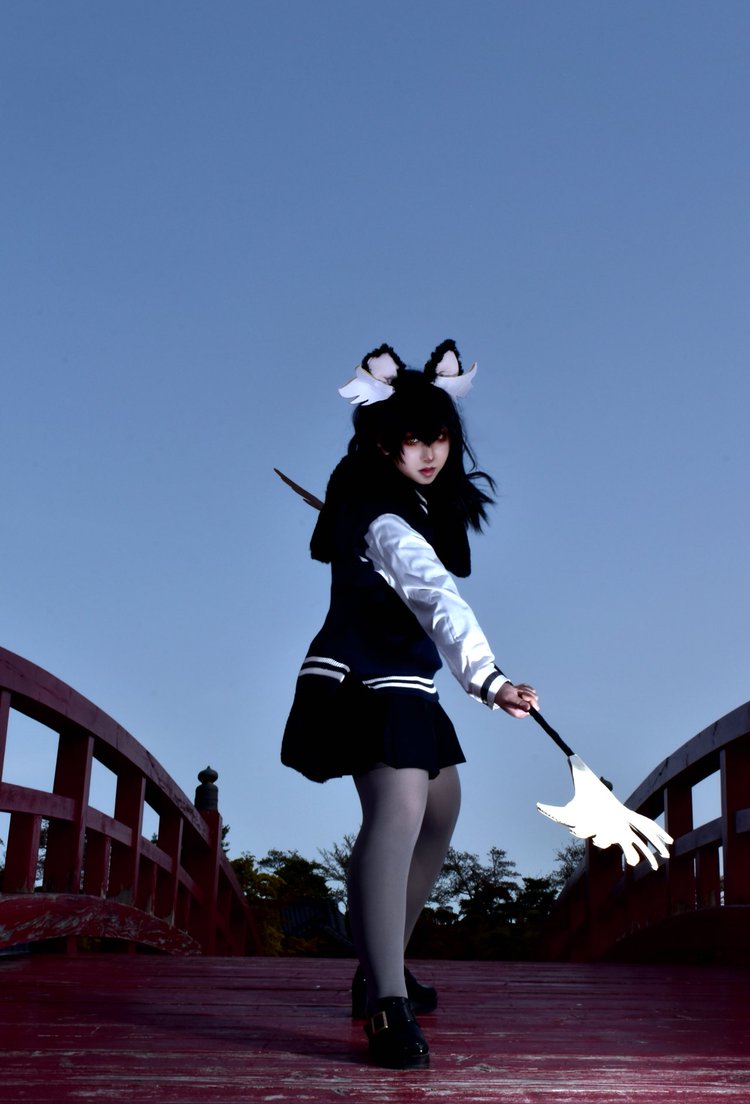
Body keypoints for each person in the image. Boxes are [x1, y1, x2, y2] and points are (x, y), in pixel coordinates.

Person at [281, 339, 538, 1070]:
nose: (429, 453)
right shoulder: (383, 517)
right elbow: (436, 596)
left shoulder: (415, 505)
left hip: (410, 682)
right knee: (396, 812)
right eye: (412, 440)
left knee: (441, 810)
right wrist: (489, 679)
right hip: (365, 677)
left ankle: (380, 961)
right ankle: (385, 1002)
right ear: (381, 443)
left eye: (440, 438)